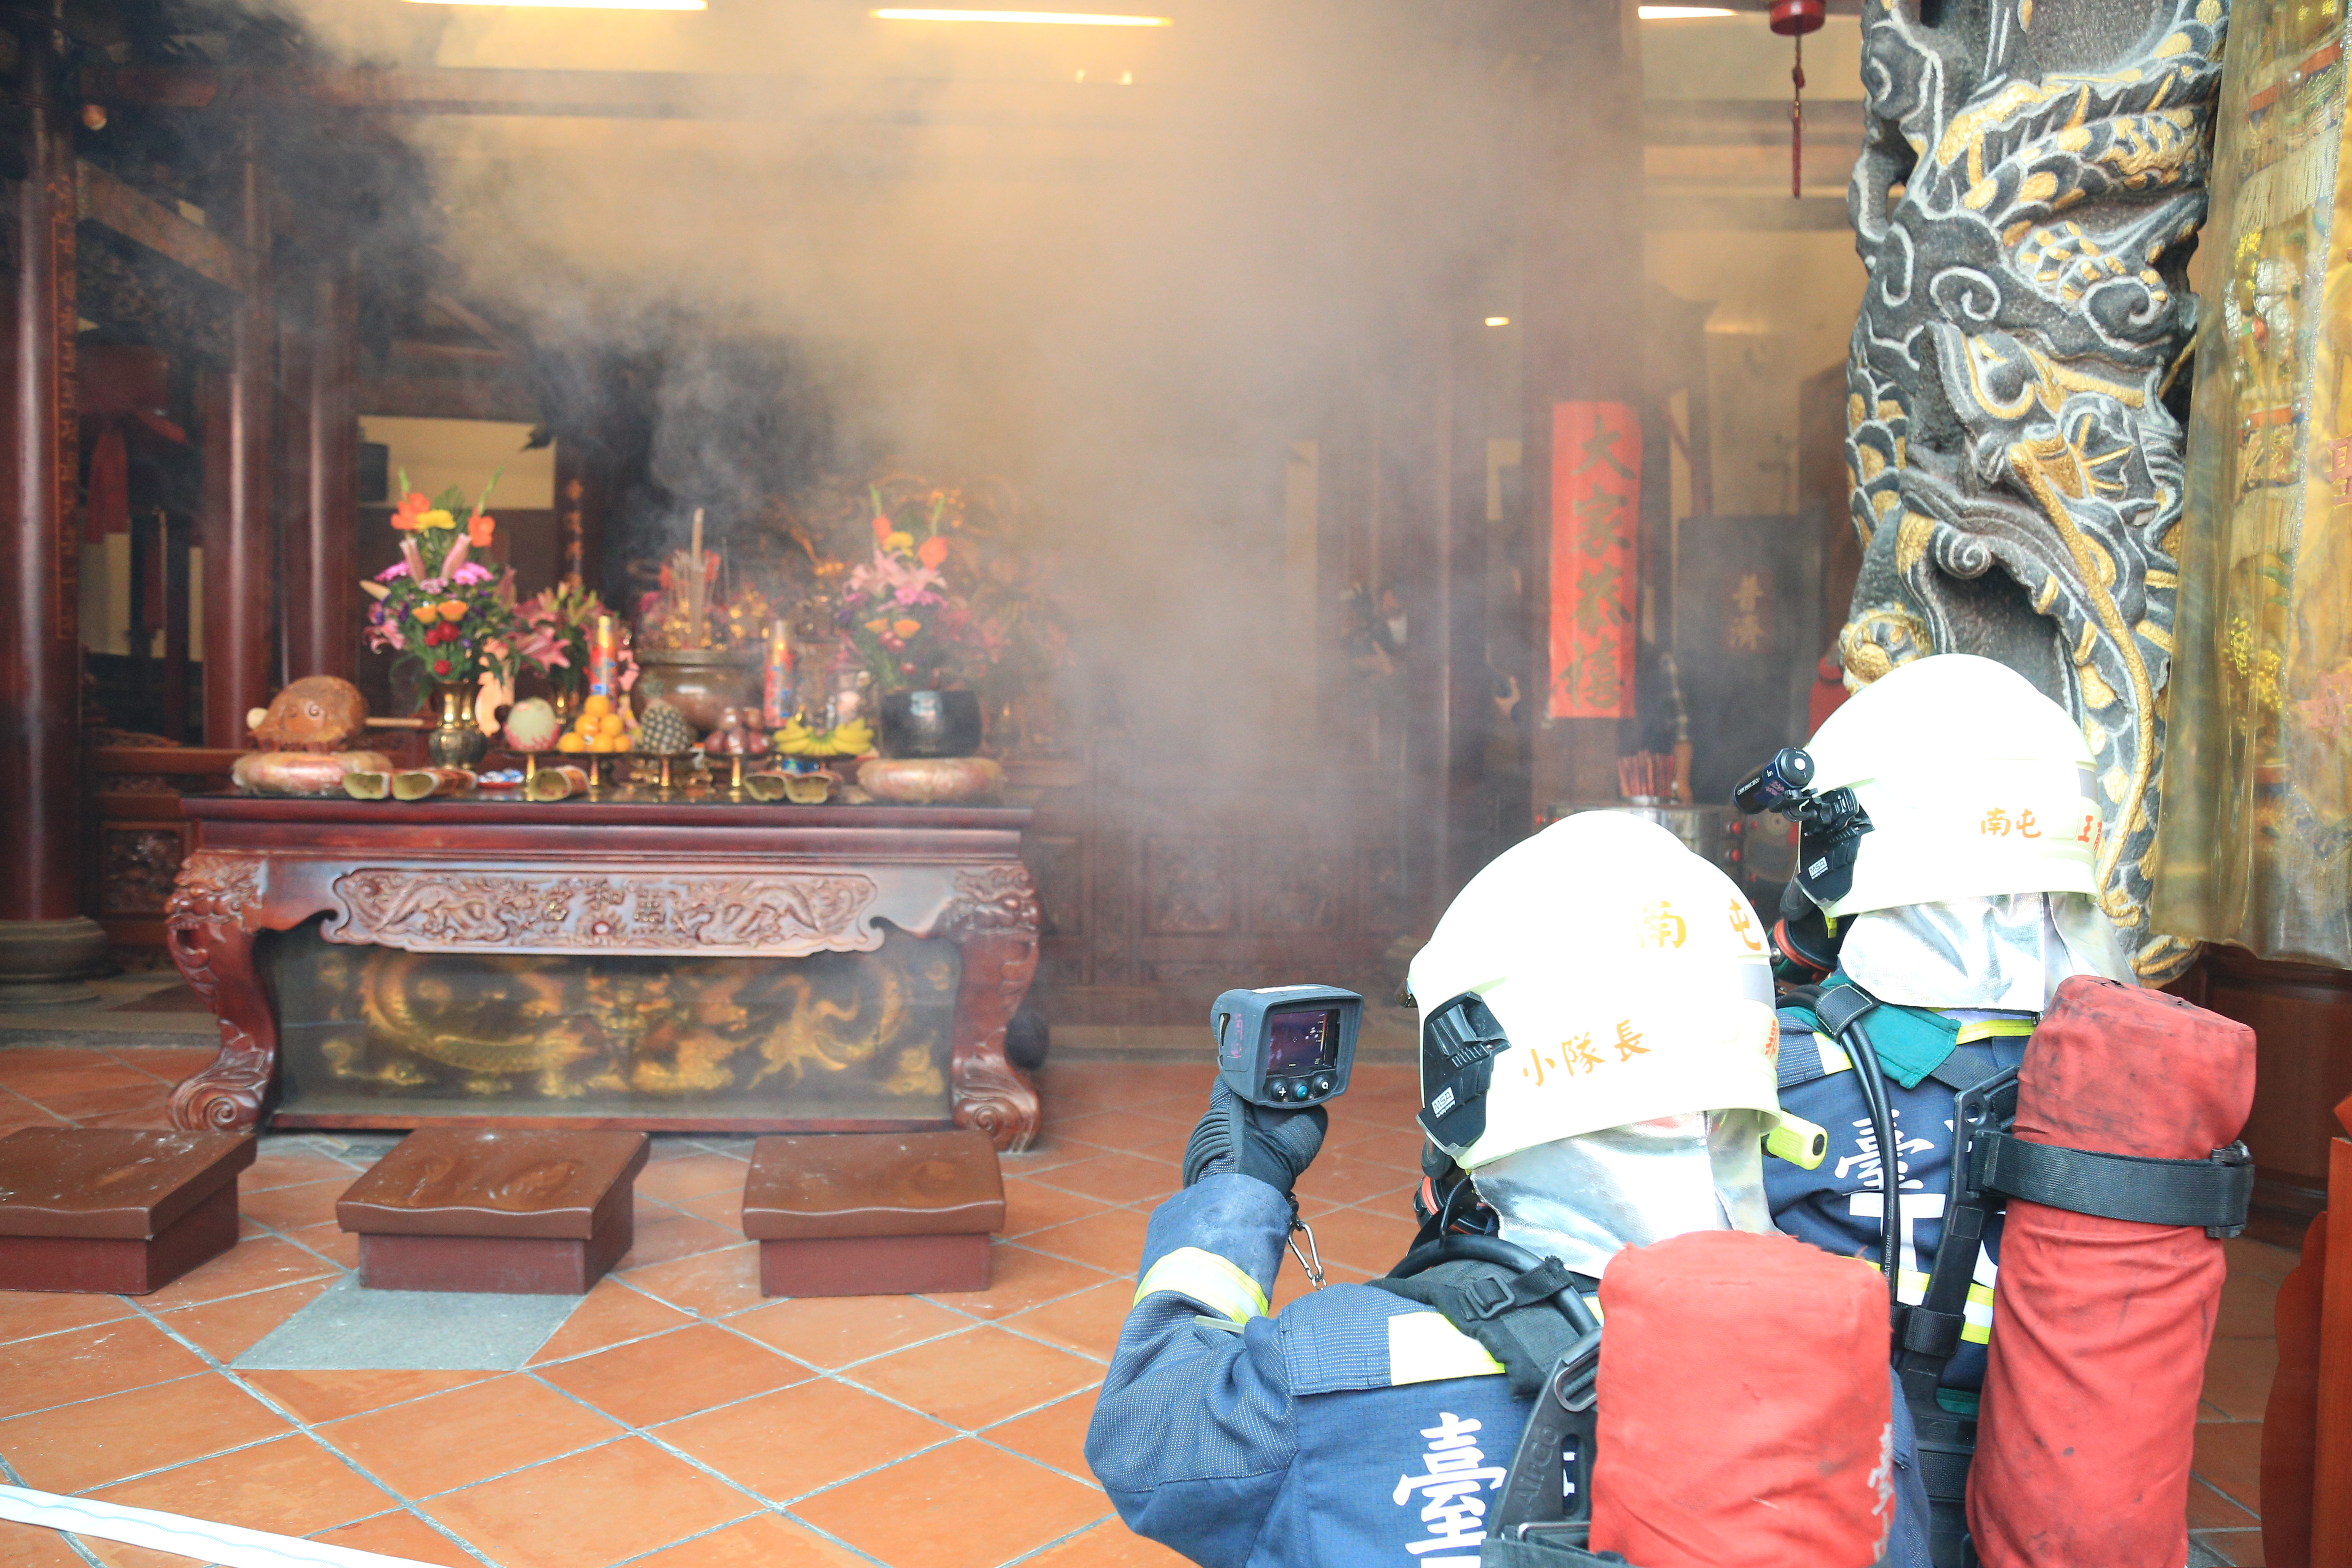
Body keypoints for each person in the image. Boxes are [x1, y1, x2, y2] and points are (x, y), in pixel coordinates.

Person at [1085, 810, 1931, 1567]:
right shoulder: (1841, 1363)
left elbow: (1147, 1437)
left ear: (1465, 1072)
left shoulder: (1326, 1369)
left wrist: (1239, 1185)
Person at [1752, 653, 2134, 1567]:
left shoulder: (1791, 1068)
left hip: (1860, 1479)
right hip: (2067, 1474)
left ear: (1843, 855)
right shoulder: (2138, 1071)